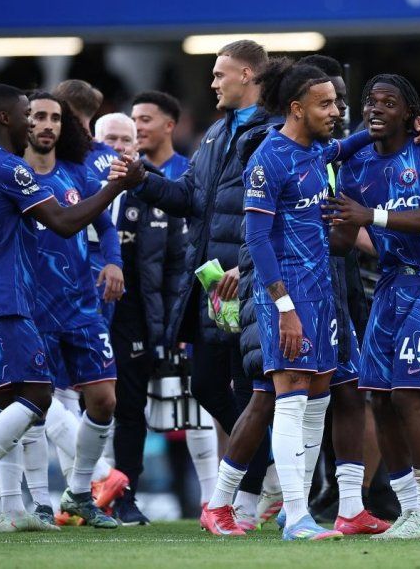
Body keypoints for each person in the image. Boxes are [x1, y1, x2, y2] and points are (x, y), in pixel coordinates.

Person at [0, 84, 144, 532]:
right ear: (4, 117)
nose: (33, 122)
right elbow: (64, 223)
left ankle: (12, 510)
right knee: (39, 394)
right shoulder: (11, 168)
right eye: (27, 113)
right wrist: (117, 186)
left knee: (7, 399)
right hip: (5, 295)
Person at [125, 43, 278, 525]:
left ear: (247, 74)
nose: (212, 83)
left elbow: (280, 212)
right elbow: (188, 196)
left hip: (251, 284)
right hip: (212, 288)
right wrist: (141, 178)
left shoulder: (274, 132)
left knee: (249, 392)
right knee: (210, 387)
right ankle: (271, 470)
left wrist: (248, 268)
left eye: (219, 74)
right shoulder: (215, 133)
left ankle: (248, 500)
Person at [241, 58, 381, 541]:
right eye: (326, 104)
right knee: (292, 397)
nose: (336, 111)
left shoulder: (317, 151)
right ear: (297, 108)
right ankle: (296, 515)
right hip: (288, 295)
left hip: (323, 290)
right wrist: (284, 307)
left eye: (337, 103)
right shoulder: (268, 159)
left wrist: (391, 126)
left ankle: (295, 510)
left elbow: (345, 145)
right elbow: (257, 239)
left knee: (319, 395)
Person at [324, 73, 420, 539]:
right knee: (380, 400)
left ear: (410, 113)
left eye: (388, 102)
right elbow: (343, 241)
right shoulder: (356, 166)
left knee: (407, 395)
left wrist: (371, 215)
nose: (376, 109)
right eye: (370, 101)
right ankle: (410, 510)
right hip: (388, 286)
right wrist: (322, 226)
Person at [21, 91, 126, 529]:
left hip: (81, 301)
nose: (47, 125)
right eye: (38, 117)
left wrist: (114, 262)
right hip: (29, 304)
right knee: (34, 403)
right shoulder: (10, 174)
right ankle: (45, 499)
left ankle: (81, 491)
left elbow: (105, 225)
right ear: (23, 122)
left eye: (55, 118)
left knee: (104, 399)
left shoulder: (75, 172)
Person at [96, 100, 196, 525]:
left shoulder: (154, 188)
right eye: (111, 139)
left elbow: (175, 264)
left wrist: (173, 322)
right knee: (76, 403)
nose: (120, 146)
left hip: (135, 314)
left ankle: (125, 495)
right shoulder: (73, 185)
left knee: (130, 407)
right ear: (94, 143)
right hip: (82, 309)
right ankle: (81, 490)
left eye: (127, 140)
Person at [53, 79, 124, 328]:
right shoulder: (113, 157)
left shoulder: (66, 160)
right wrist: (114, 262)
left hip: (77, 267)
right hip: (104, 269)